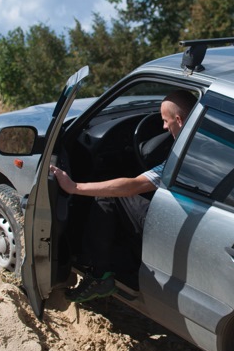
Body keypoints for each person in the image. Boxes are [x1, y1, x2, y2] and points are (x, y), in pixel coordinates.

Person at [49, 89, 197, 302]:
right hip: (190, 220)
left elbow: (132, 187)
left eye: (165, 121)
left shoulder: (182, 157)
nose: (164, 127)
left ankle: (101, 276)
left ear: (179, 120)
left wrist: (75, 187)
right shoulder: (208, 141)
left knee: (110, 196)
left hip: (174, 225)